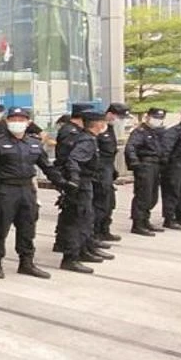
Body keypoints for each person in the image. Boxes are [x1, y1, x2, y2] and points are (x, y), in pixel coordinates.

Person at [0, 107, 66, 279]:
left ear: (28, 123)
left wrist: (62, 183)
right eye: (13, 119)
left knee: (27, 226)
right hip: (5, 190)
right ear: (7, 122)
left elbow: (46, 166)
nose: (17, 123)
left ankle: (26, 262)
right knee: (0, 227)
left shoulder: (34, 144)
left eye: (21, 120)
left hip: (27, 190)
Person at [57, 110, 114, 274]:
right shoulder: (86, 140)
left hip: (87, 182)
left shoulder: (88, 138)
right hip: (81, 185)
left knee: (86, 219)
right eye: (103, 122)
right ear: (98, 124)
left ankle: (84, 250)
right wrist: (74, 179)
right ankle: (70, 258)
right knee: (78, 220)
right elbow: (73, 160)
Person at [52, 103, 95, 253]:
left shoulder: (78, 131)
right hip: (71, 176)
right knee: (75, 213)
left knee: (78, 213)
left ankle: (82, 245)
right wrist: (71, 178)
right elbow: (68, 157)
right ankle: (69, 247)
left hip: (77, 175)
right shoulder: (70, 131)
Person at [125, 107, 167, 236]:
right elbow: (130, 148)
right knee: (143, 194)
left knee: (152, 196)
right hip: (145, 165)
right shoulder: (140, 131)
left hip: (156, 165)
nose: (157, 121)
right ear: (147, 116)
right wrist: (135, 164)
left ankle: (145, 220)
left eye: (160, 118)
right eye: (155, 117)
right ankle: (138, 224)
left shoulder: (158, 132)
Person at [93, 103, 130, 242]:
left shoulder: (109, 128)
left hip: (108, 169)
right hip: (99, 171)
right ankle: (95, 233)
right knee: (99, 203)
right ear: (110, 114)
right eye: (119, 117)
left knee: (109, 203)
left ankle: (104, 229)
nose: (121, 120)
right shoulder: (98, 128)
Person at [159, 108, 181, 229]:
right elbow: (166, 149)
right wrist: (165, 165)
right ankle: (169, 218)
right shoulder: (174, 131)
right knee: (172, 190)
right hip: (174, 165)